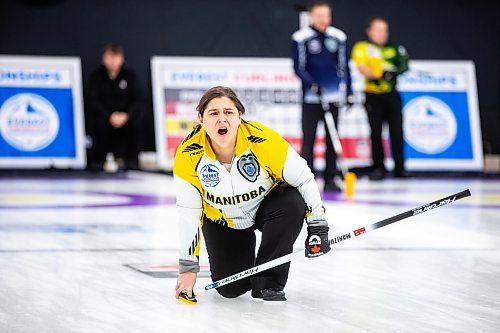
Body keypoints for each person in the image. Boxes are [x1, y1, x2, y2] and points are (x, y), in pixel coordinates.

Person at [174, 86, 331, 303]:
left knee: (293, 201)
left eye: (229, 112)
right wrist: (188, 268)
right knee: (231, 289)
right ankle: (244, 266)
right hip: (223, 221)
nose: (222, 120)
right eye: (214, 113)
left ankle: (269, 281)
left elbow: (304, 178)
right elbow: (189, 214)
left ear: (240, 115)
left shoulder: (263, 140)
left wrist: (318, 226)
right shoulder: (188, 154)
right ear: (201, 119)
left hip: (266, 208)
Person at [291, 0, 352, 192]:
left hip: (332, 96)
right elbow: (298, 67)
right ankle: (306, 180)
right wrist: (312, 84)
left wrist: (348, 92)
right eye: (319, 16)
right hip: (311, 98)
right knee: (308, 138)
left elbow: (344, 66)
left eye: (326, 16)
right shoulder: (301, 38)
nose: (323, 20)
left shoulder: (338, 37)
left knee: (332, 137)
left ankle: (331, 178)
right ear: (311, 16)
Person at [351, 17, 409, 180]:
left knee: (397, 132)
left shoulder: (395, 48)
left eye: (384, 30)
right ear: (369, 31)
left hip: (391, 94)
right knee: (375, 133)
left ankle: (400, 168)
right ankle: (378, 167)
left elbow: (404, 65)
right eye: (378, 30)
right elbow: (363, 68)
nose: (381, 34)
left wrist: (394, 72)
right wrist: (382, 73)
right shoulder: (362, 47)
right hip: (373, 96)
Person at [87, 44, 142, 171]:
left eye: (116, 57)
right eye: (110, 57)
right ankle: (98, 161)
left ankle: (132, 162)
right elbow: (92, 100)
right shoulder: (96, 77)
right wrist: (109, 116)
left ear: (121, 59)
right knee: (98, 124)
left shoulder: (130, 76)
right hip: (105, 116)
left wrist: (126, 115)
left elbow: (138, 100)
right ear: (104, 58)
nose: (113, 61)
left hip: (126, 116)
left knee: (136, 123)